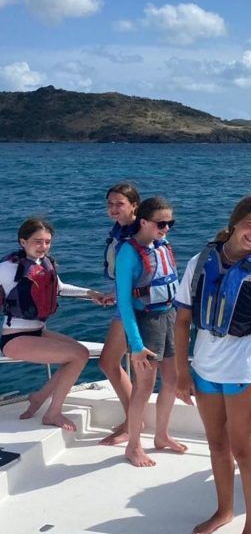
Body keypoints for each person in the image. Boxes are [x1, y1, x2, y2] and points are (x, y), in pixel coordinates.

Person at [174, 195, 251, 534]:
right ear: (235, 222)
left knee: (244, 450)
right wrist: (181, 371)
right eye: (250, 224)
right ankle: (224, 510)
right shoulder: (199, 264)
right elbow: (183, 321)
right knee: (217, 446)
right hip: (204, 370)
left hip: (242, 376)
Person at [0, 217, 107, 431]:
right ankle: (53, 413)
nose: (43, 247)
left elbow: (60, 287)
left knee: (80, 352)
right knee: (77, 356)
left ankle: (39, 397)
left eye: (47, 242)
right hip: (15, 338)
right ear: (23, 242)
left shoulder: (43, 264)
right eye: (37, 241)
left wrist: (91, 294)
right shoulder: (8, 268)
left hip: (37, 332)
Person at [114, 196, 184, 467]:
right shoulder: (128, 253)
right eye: (161, 223)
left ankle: (162, 435)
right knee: (143, 387)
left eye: (170, 223)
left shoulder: (162, 246)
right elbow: (124, 302)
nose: (166, 228)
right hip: (146, 322)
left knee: (172, 379)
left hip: (169, 316)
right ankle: (133, 446)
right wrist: (136, 345)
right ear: (143, 222)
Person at [97, 182, 141, 446]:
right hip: (125, 302)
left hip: (134, 308)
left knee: (110, 362)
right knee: (112, 362)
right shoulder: (122, 231)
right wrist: (115, 291)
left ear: (134, 205)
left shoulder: (139, 233)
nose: (114, 209)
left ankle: (133, 424)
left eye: (120, 204)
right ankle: (132, 420)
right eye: (110, 204)